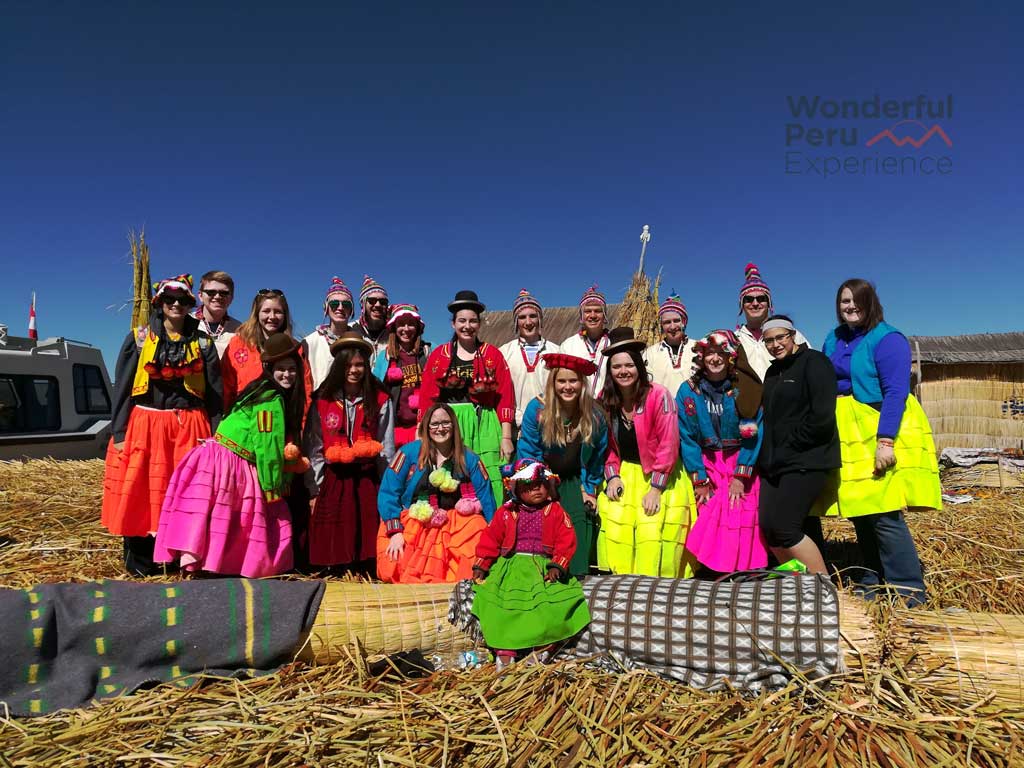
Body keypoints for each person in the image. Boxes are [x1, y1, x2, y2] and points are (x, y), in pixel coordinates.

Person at [820, 280, 940, 605]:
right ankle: (873, 577)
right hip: (846, 432)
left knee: (884, 512)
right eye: (844, 301)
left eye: (857, 300)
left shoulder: (888, 339)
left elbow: (896, 392)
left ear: (871, 302)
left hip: (877, 426)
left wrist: (885, 440)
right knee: (860, 509)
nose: (850, 306)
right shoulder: (834, 338)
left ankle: (909, 592)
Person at [153, 333, 309, 577]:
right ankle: (242, 567)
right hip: (229, 462)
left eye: (291, 369)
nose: (287, 375)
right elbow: (267, 448)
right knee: (251, 519)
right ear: (269, 368)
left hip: (216, 456)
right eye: (281, 369)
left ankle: (209, 568)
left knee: (216, 518)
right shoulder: (270, 399)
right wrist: (274, 489)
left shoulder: (258, 390)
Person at [101, 274, 222, 576]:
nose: (176, 304)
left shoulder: (203, 341)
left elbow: (215, 392)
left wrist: (217, 435)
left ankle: (182, 558)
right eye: (170, 299)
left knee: (187, 493)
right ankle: (142, 561)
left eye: (183, 300)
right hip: (146, 424)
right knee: (142, 491)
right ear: (159, 302)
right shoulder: (140, 338)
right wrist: (119, 431)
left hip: (190, 426)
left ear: (191, 304)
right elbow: (124, 386)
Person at [471, 460, 591, 670]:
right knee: (502, 605)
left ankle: (545, 646)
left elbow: (566, 539)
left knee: (551, 605)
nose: (535, 489)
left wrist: (558, 564)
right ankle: (505, 652)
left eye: (540, 484)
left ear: (549, 486)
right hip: (511, 567)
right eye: (527, 486)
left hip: (543, 567)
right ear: (517, 491)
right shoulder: (506, 512)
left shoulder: (555, 511)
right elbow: (491, 538)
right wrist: (483, 563)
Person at [597, 327, 696, 578]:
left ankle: (658, 591)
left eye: (629, 365)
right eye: (617, 366)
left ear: (639, 367)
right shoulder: (605, 400)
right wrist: (612, 476)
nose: (623, 371)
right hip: (625, 473)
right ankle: (622, 588)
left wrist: (655, 488)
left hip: (659, 475)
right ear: (610, 371)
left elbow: (668, 443)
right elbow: (605, 444)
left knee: (652, 531)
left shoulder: (658, 396)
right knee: (617, 527)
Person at [304, 331, 395, 573]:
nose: (354, 370)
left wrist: (387, 487)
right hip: (335, 477)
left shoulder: (380, 398)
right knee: (336, 532)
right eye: (349, 365)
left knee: (365, 527)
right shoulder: (322, 400)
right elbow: (315, 447)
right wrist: (315, 487)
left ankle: (364, 572)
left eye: (360, 365)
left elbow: (386, 445)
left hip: (367, 476)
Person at [677, 330, 767, 573]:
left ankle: (743, 574)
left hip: (739, 460)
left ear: (731, 357)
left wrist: (741, 475)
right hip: (708, 463)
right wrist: (699, 479)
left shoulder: (741, 390)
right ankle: (711, 576)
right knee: (708, 516)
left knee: (741, 514)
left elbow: (752, 431)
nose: (715, 358)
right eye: (709, 353)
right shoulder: (688, 392)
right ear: (701, 357)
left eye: (721, 353)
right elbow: (688, 438)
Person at [376, 403, 495, 583]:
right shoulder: (408, 454)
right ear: (426, 427)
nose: (440, 428)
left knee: (476, 536)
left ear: (454, 426)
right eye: (435, 424)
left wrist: (492, 535)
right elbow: (388, 492)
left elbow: (486, 496)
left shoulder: (469, 458)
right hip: (417, 520)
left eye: (446, 423)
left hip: (457, 523)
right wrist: (396, 532)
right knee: (395, 562)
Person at [758, 316, 840, 575]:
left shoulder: (815, 363)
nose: (775, 344)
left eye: (780, 337)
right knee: (768, 527)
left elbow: (822, 417)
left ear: (793, 336)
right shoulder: (772, 372)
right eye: (768, 340)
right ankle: (799, 581)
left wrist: (790, 445)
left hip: (807, 459)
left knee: (785, 527)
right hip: (775, 463)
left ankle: (823, 588)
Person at [419, 290, 515, 505]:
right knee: (455, 476)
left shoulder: (492, 354)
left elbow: (505, 396)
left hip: (486, 423)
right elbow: (427, 398)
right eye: (462, 321)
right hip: (451, 423)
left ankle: (493, 524)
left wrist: (506, 437)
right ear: (453, 324)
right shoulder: (439, 355)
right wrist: (422, 436)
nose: (467, 326)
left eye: (473, 321)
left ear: (479, 324)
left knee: (491, 477)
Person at [517, 353, 608, 577]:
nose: (568, 387)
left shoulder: (594, 414)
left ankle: (576, 576)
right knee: (541, 519)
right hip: (544, 478)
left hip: (577, 478)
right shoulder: (537, 410)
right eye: (562, 381)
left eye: (573, 381)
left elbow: (597, 456)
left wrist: (590, 489)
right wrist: (540, 487)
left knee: (579, 519)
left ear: (582, 383)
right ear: (553, 383)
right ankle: (538, 574)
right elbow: (529, 452)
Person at [221, 289, 313, 413]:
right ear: (257, 313)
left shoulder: (294, 348)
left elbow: (305, 390)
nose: (272, 317)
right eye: (266, 311)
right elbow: (226, 386)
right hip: (243, 419)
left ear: (285, 315)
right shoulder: (238, 344)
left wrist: (302, 426)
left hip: (282, 419)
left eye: (278, 312)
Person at [735, 263, 809, 381]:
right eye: (748, 299)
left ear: (769, 303)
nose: (755, 303)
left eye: (761, 299)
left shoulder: (791, 334)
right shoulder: (734, 340)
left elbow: (810, 364)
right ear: (741, 305)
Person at [498, 289, 561, 428]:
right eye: (522, 317)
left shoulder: (556, 351)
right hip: (516, 427)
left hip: (550, 424)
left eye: (533, 316)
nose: (528, 322)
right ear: (516, 321)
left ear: (540, 319)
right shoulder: (503, 353)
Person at [372, 303, 430, 447]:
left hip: (423, 428)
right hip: (393, 429)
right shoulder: (384, 357)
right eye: (401, 325)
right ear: (394, 329)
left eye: (411, 324)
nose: (406, 329)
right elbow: (375, 391)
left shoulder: (429, 352)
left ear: (417, 328)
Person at [560, 284, 612, 396]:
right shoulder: (568, 346)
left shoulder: (613, 342)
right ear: (582, 316)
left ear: (604, 316)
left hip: (609, 407)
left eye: (597, 311)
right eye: (588, 311)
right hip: (578, 409)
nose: (592, 315)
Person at [304, 277, 355, 389]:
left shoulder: (359, 341)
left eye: (346, 304)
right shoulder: (309, 343)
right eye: (334, 304)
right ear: (326, 308)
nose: (340, 308)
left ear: (351, 310)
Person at [645, 294, 697, 394]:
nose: (672, 327)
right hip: (661, 408)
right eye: (667, 322)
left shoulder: (697, 348)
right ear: (661, 325)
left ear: (684, 322)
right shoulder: (651, 353)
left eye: (676, 321)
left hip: (694, 409)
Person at [192, 270, 240, 358]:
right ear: (200, 296)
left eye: (224, 293)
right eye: (211, 292)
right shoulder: (184, 323)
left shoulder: (240, 331)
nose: (217, 296)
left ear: (232, 297)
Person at [350, 274, 390, 367]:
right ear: (362, 305)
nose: (378, 305)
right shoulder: (351, 330)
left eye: (383, 302)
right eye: (372, 301)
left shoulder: (394, 333)